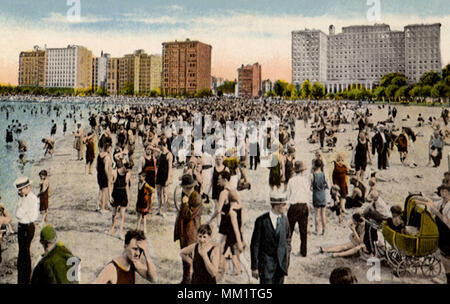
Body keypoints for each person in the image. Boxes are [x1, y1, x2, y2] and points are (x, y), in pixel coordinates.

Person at [250, 191, 291, 284]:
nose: (286, 207)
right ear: (277, 205)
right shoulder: (261, 221)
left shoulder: (285, 220)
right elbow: (255, 245)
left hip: (280, 267)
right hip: (266, 267)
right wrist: (254, 267)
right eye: (284, 204)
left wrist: (286, 257)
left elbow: (288, 240)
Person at [174, 174, 204, 284]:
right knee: (185, 256)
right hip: (185, 231)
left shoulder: (195, 197)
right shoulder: (188, 195)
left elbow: (188, 215)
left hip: (191, 232)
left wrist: (185, 203)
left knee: (189, 257)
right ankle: (186, 280)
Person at [419, 185, 450, 284]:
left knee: (447, 258)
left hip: (448, 235)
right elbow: (432, 204)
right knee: (445, 259)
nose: (444, 194)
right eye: (442, 191)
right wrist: (422, 199)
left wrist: (437, 213)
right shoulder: (441, 202)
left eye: (446, 192)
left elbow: (447, 222)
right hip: (442, 235)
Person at [14, 176, 40, 284]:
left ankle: (24, 279)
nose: (20, 192)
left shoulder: (27, 199)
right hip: (28, 227)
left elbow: (18, 214)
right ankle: (26, 277)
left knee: (23, 255)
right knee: (25, 253)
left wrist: (20, 200)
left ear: (27, 187)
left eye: (21, 189)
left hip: (25, 228)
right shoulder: (31, 197)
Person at [286, 161, 311, 256]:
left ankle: (287, 249)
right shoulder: (305, 181)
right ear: (302, 171)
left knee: (289, 230)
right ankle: (303, 251)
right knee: (303, 230)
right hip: (303, 205)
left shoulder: (291, 181)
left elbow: (288, 195)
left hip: (294, 205)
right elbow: (308, 193)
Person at [109, 160, 132, 239]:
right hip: (115, 193)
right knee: (114, 214)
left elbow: (127, 187)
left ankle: (120, 231)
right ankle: (112, 228)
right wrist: (109, 195)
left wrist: (128, 198)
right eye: (127, 169)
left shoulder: (128, 174)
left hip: (123, 194)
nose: (128, 171)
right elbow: (110, 184)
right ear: (123, 167)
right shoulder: (115, 172)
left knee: (122, 215)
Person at [156, 140, 173, 217]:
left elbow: (170, 168)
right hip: (159, 174)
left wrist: (168, 178)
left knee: (165, 194)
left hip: (165, 175)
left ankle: (165, 210)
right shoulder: (160, 153)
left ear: (164, 145)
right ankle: (159, 209)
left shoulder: (169, 154)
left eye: (160, 146)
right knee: (158, 193)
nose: (159, 148)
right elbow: (157, 165)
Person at [311, 159, 329, 236]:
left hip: (316, 194)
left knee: (317, 214)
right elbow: (327, 186)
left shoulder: (313, 175)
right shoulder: (324, 174)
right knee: (323, 214)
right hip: (323, 194)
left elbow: (310, 186)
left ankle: (317, 230)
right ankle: (325, 229)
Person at [96, 136, 113, 213]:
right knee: (105, 191)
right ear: (108, 147)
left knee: (100, 190)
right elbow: (106, 168)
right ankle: (102, 208)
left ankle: (98, 205)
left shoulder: (100, 155)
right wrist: (108, 177)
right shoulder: (107, 157)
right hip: (104, 175)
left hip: (99, 174)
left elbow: (96, 166)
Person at [332, 153, 350, 223]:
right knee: (339, 197)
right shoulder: (337, 167)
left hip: (343, 183)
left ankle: (343, 208)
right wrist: (345, 168)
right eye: (341, 160)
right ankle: (340, 210)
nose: (342, 161)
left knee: (343, 197)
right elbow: (340, 171)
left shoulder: (342, 166)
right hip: (339, 184)